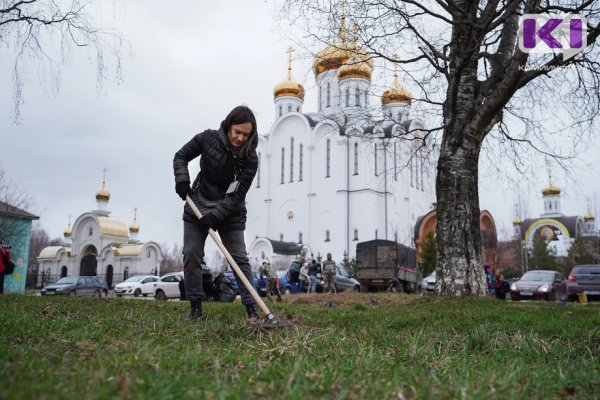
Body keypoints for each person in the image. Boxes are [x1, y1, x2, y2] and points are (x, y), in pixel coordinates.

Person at [173, 105, 259, 321]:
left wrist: (216, 215)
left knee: (239, 259)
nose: (240, 138)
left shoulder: (250, 159)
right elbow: (180, 157)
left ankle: (252, 309)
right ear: (229, 126)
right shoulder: (207, 138)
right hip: (198, 203)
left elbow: (237, 195)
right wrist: (182, 181)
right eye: (236, 132)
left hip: (230, 211)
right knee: (192, 254)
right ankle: (195, 307)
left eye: (245, 135)